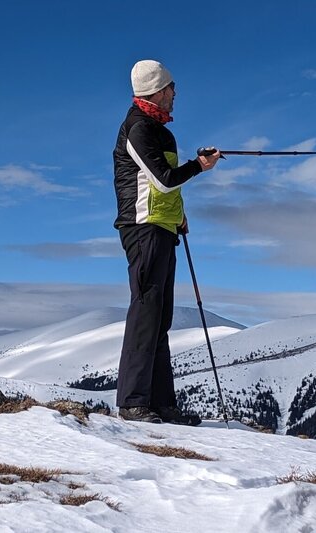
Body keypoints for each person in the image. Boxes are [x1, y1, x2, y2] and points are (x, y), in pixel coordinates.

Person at [112, 59, 221, 424]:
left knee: (160, 318)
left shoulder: (159, 131)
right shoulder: (138, 129)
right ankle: (132, 402)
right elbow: (163, 179)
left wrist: (179, 216)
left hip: (162, 227)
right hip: (142, 228)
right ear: (158, 89)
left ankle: (160, 404)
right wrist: (199, 167)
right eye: (172, 87)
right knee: (146, 312)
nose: (175, 94)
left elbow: (164, 188)